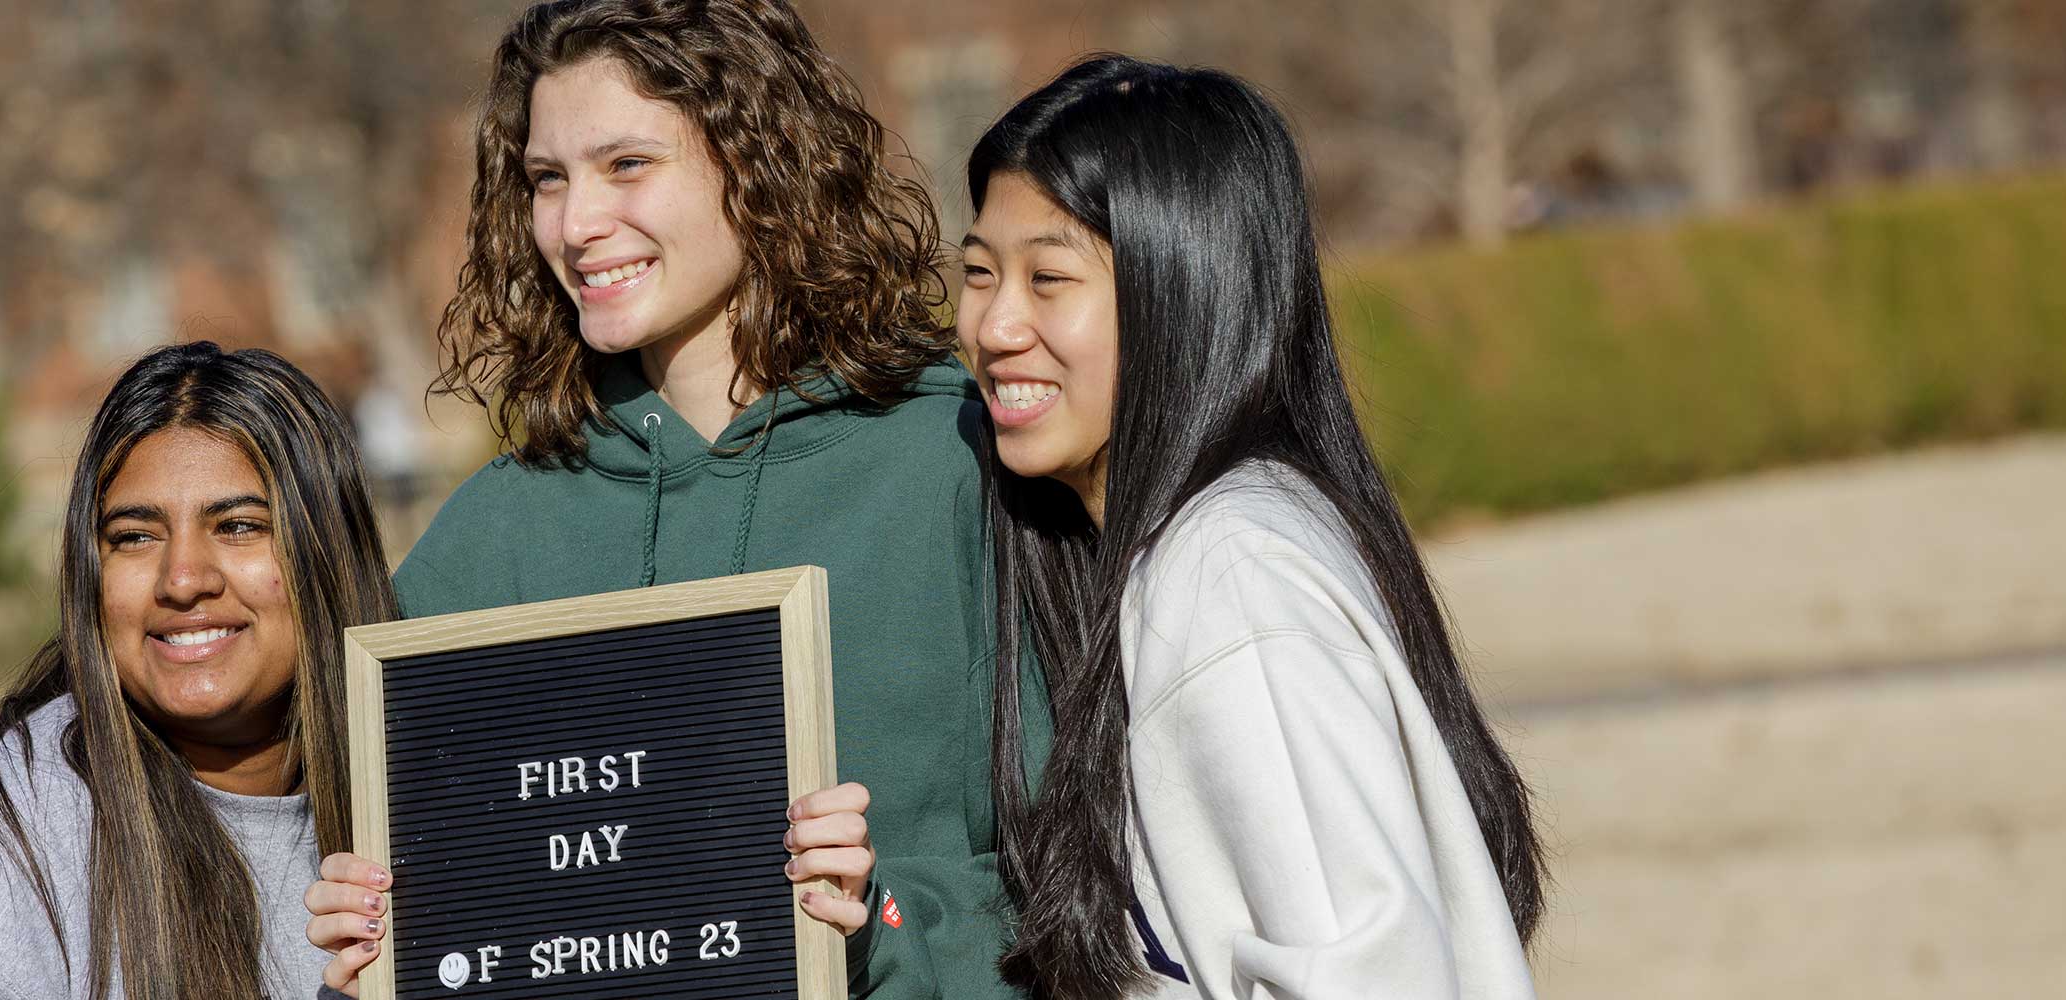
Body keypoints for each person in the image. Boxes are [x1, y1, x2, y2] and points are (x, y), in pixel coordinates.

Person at [301, 2, 1043, 997]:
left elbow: (1089, 887)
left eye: (626, 165)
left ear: (759, 159)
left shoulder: (962, 466)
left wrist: (884, 921)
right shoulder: (486, 544)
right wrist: (376, 948)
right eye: (546, 180)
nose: (575, 224)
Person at [956, 56, 1548, 999]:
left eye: (1050, 277)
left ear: (1183, 290)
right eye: (980, 273)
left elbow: (1369, 977)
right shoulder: (1232, 530)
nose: (994, 326)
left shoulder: (1226, 572)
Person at [0, 342, 397, 1000]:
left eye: (238, 526)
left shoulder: (434, 807)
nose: (183, 579)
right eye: (135, 537)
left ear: (328, 554)